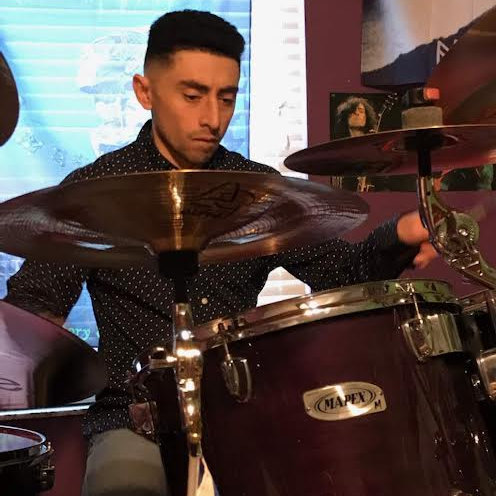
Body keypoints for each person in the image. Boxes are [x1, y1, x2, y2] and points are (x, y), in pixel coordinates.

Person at [3, 9, 436, 496]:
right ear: (145, 92)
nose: (212, 119)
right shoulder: (96, 191)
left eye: (226, 97)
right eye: (192, 96)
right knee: (123, 486)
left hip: (241, 406)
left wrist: (398, 235)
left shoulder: (257, 192)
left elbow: (344, 273)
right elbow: (33, 314)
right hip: (133, 416)